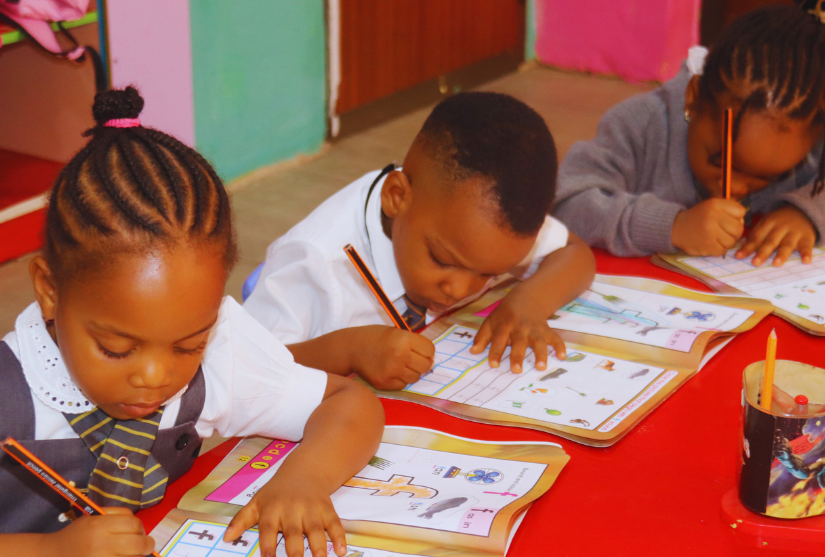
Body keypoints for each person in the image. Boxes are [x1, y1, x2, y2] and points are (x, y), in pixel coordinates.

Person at [0, 88, 383, 557]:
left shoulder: (220, 356)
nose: (155, 377)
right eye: (117, 349)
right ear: (50, 291)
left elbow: (348, 401)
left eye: (189, 344)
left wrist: (305, 480)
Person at [554, 0, 825, 266]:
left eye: (765, 178)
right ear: (694, 98)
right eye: (722, 161)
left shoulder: (805, 138)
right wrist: (673, 226)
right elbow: (567, 203)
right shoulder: (640, 125)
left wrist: (808, 212)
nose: (738, 188)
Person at [245, 91, 596, 389]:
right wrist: (347, 351)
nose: (459, 290)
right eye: (442, 260)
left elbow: (576, 255)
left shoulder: (475, 223)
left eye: (488, 275)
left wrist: (528, 303)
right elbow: (242, 372)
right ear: (396, 197)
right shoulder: (315, 261)